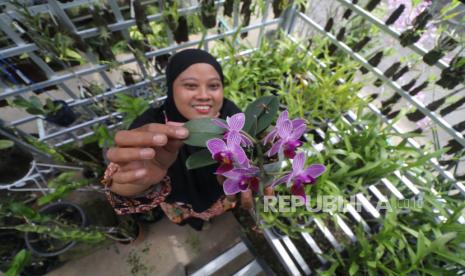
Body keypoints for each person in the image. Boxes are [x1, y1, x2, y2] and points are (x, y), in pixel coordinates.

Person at [102, 49, 253, 231]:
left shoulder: (231, 116)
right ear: (170, 86)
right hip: (180, 203)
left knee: (218, 208)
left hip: (219, 196)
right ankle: (195, 223)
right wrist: (135, 181)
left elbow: (250, 156)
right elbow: (119, 188)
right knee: (187, 218)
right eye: (190, 86)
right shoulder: (151, 126)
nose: (204, 95)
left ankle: (207, 218)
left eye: (213, 86)